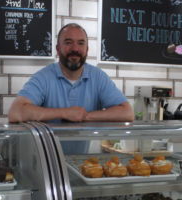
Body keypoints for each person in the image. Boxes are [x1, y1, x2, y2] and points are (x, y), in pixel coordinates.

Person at [8, 23, 134, 154]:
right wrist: (65, 113)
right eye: (68, 42)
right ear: (57, 49)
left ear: (87, 49)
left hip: (79, 163)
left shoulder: (98, 77)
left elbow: (127, 113)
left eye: (81, 43)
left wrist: (85, 116)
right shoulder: (44, 77)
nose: (75, 49)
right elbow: (16, 112)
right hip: (45, 165)